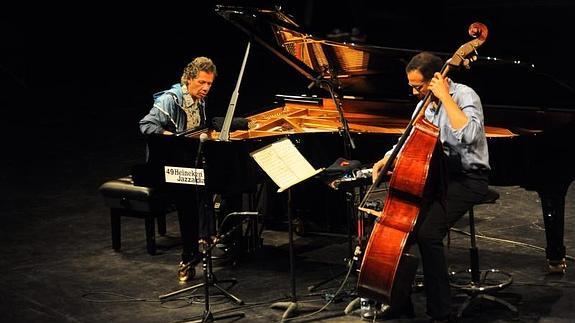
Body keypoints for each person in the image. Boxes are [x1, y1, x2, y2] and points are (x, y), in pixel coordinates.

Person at [367, 51, 491, 322]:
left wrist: (445, 98)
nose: (413, 92)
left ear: (436, 79)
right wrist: (388, 158)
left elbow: (469, 135)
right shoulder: (424, 104)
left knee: (427, 234)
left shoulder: (465, 96)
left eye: (417, 86)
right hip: (437, 178)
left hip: (469, 179)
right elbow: (410, 137)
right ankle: (399, 303)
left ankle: (441, 311)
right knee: (402, 230)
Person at [139, 56, 217, 282]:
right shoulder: (170, 99)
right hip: (167, 164)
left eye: (209, 84)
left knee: (218, 182)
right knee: (189, 199)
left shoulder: (200, 100)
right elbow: (146, 125)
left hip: (188, 159)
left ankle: (210, 238)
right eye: (202, 82)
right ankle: (189, 256)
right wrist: (172, 138)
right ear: (189, 79)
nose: (206, 88)